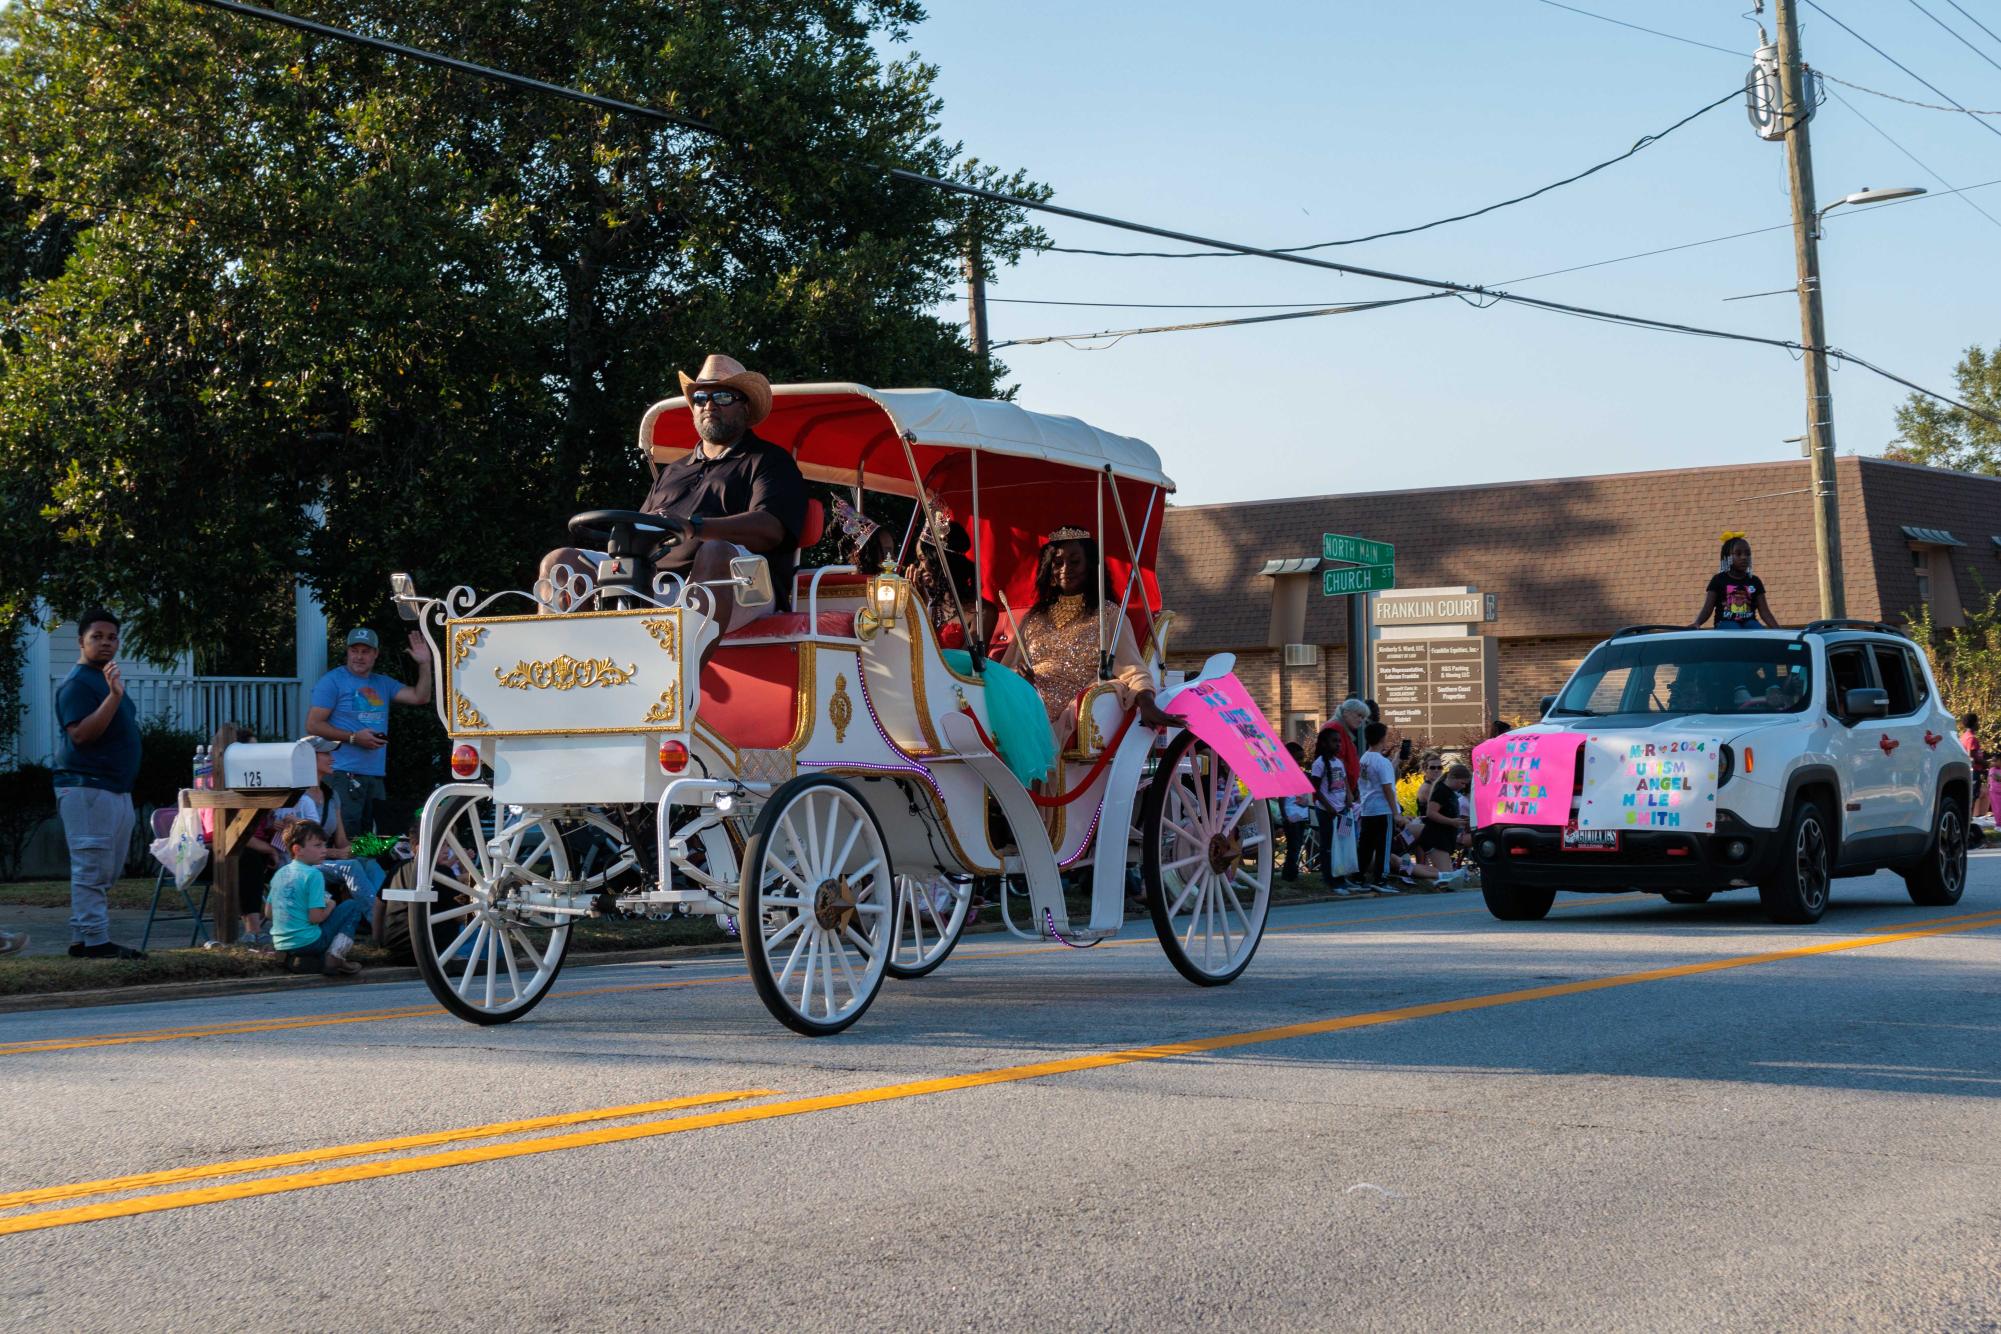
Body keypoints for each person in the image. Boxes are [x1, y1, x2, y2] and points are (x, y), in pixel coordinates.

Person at [540, 354, 808, 645]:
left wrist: (696, 527)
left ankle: (683, 681)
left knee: (715, 551)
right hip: (657, 582)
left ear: (745, 406)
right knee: (561, 561)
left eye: (722, 396)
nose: (709, 405)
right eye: (700, 398)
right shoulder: (674, 470)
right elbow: (641, 527)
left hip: (742, 587)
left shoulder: (768, 461)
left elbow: (770, 529)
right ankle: (568, 670)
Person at [1001, 527, 1173, 742]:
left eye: (1074, 562)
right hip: (1027, 702)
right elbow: (1004, 670)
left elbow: (1133, 670)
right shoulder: (1033, 618)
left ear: (1090, 567)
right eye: (1058, 562)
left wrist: (1147, 703)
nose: (1065, 569)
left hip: (1075, 711)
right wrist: (1016, 674)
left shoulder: (1109, 615)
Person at [54, 609, 146, 961]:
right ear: (81, 641)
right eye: (97, 637)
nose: (106, 643)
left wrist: (114, 693)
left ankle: (82, 938)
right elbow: (80, 735)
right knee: (92, 866)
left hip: (115, 788)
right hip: (86, 787)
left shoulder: (104, 680)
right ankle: (96, 942)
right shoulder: (77, 684)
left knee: (107, 868)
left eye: (112, 637)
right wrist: (113, 697)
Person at [307, 627, 433, 834]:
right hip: (342, 773)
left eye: (365, 651)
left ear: (375, 653)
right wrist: (354, 738)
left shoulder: (382, 682)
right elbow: (313, 725)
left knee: (373, 841)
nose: (359, 656)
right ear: (347, 652)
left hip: (374, 775)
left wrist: (425, 664)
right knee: (347, 837)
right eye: (354, 650)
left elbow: (420, 697)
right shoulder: (332, 681)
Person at [267, 820, 368, 975]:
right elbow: (316, 917)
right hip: (309, 942)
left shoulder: (280, 873)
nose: (324, 850)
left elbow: (268, 913)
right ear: (297, 849)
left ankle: (301, 960)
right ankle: (336, 956)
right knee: (352, 906)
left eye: (324, 845)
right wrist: (331, 906)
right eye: (317, 846)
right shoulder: (313, 874)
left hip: (280, 944)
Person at [1690, 532, 1778, 630]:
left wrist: (1780, 631)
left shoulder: (1755, 581)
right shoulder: (1718, 580)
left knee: (1756, 629)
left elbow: (1765, 612)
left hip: (1749, 622)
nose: (1744, 557)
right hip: (1725, 623)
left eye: (1747, 554)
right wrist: (1697, 623)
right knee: (1734, 628)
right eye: (1738, 554)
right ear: (1728, 557)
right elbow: (1707, 608)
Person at [1308, 727, 1355, 893]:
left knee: (1342, 844)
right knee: (1328, 846)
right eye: (1334, 741)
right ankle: (1330, 879)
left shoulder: (1338, 762)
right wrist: (1328, 807)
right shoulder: (1319, 763)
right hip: (1327, 812)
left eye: (1339, 741)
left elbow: (1344, 782)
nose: (1338, 744)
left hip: (1342, 811)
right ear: (1324, 743)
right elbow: (1314, 789)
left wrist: (1349, 797)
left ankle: (1342, 876)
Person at [1356, 722, 1400, 894]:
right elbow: (1387, 788)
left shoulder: (1364, 759)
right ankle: (1381, 878)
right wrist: (1395, 812)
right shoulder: (1382, 762)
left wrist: (1395, 762)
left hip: (1367, 807)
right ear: (1382, 737)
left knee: (1366, 844)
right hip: (1383, 809)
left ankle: (1359, 875)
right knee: (1384, 845)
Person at [1421, 762, 1474, 873]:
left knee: (1446, 875)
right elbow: (1431, 813)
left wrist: (1461, 821)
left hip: (1444, 840)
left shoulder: (1450, 792)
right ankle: (1407, 868)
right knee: (1447, 877)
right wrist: (1451, 822)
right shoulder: (1441, 791)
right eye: (1462, 783)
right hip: (1435, 838)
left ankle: (1412, 871)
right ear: (1454, 778)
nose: (1463, 787)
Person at [1279, 740, 1315, 882]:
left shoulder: (1301, 775)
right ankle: (1289, 873)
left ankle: (1291, 871)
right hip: (1291, 815)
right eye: (1298, 758)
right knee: (1293, 845)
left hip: (1300, 815)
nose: (1301, 761)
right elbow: (1282, 797)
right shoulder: (1285, 775)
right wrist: (1284, 815)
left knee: (1297, 844)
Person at [1961, 713, 1989, 822]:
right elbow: (1971, 756)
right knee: (1972, 797)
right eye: (1977, 721)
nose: (1979, 724)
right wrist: (1987, 763)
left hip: (1968, 771)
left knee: (1971, 797)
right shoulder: (1971, 738)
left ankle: (1967, 820)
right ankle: (1968, 822)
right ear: (1973, 723)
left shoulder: (1963, 736)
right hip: (1973, 772)